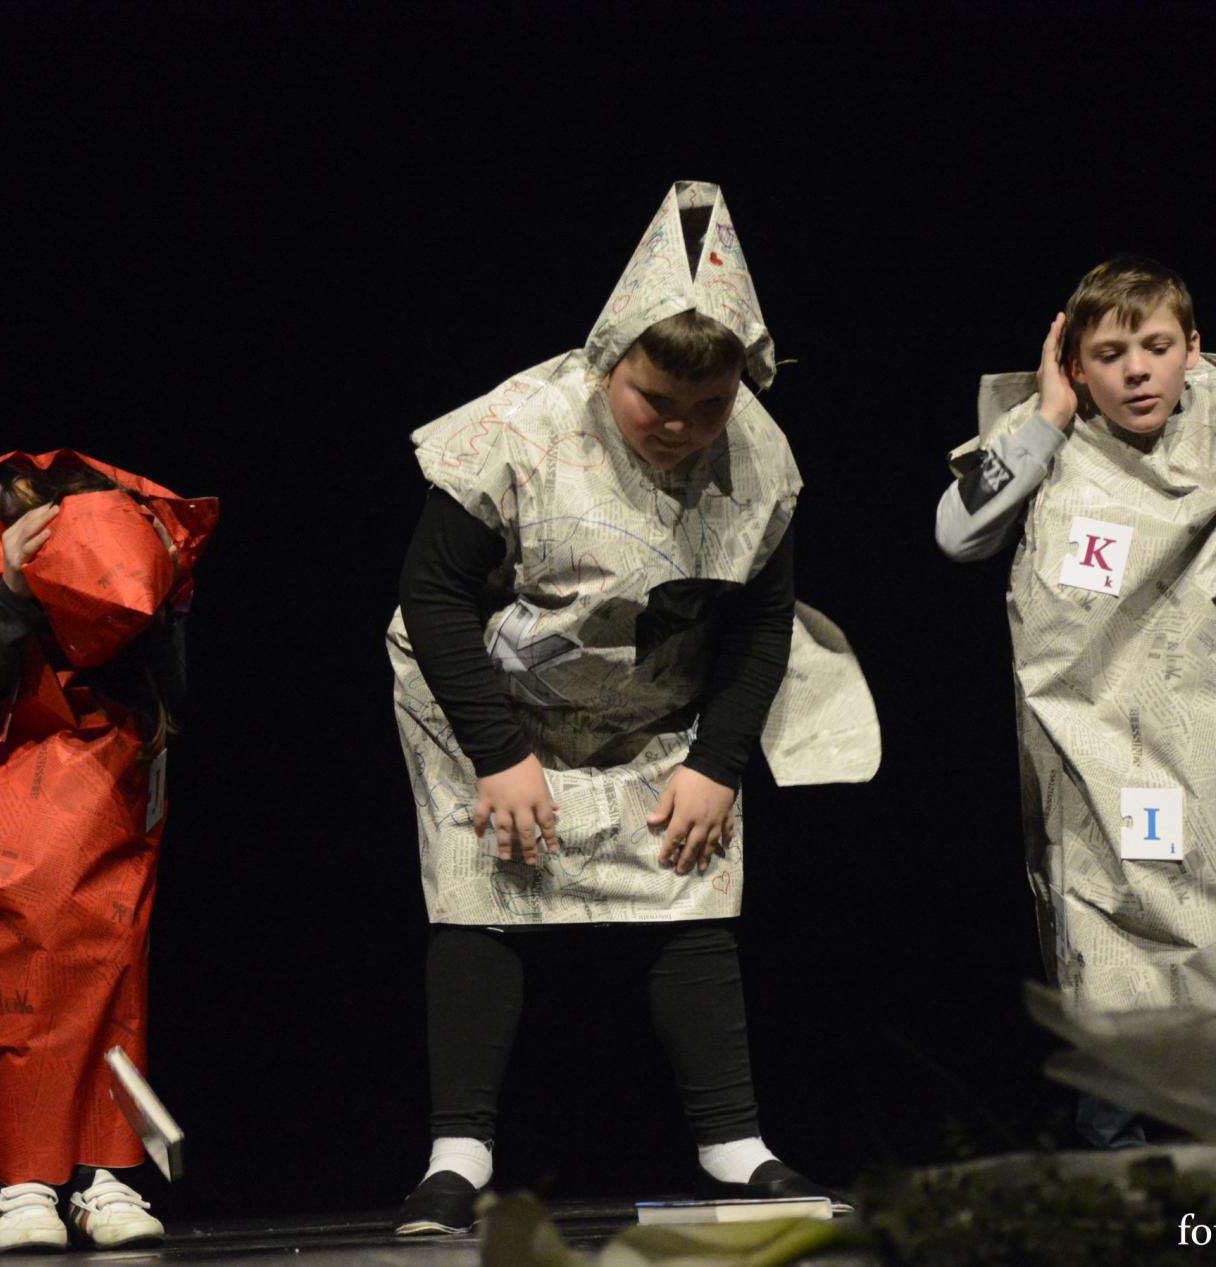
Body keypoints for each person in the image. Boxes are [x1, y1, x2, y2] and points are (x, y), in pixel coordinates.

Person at [386, 181, 877, 1234]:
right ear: (611, 362)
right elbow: (430, 594)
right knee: (483, 889)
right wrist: (497, 753)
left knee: (690, 884)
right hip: (485, 693)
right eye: (656, 401)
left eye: (710, 406)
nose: (683, 427)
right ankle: (457, 1155)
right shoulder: (517, 429)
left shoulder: (759, 457)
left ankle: (735, 1143)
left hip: (650, 707)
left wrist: (718, 763)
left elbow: (762, 624)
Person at [934, 256, 1216, 1146]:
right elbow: (957, 533)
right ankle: (1121, 1166)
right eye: (1110, 353)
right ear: (1075, 362)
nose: (1137, 370)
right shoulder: (1051, 428)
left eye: (1159, 347)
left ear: (1194, 346)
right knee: (1113, 949)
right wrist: (1048, 416)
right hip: (1098, 755)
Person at [0, 451, 216, 1251]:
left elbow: (169, 698)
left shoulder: (135, 572)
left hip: (95, 809)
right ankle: (21, 1178)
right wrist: (14, 593)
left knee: (105, 976)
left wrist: (160, 605)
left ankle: (105, 1174)